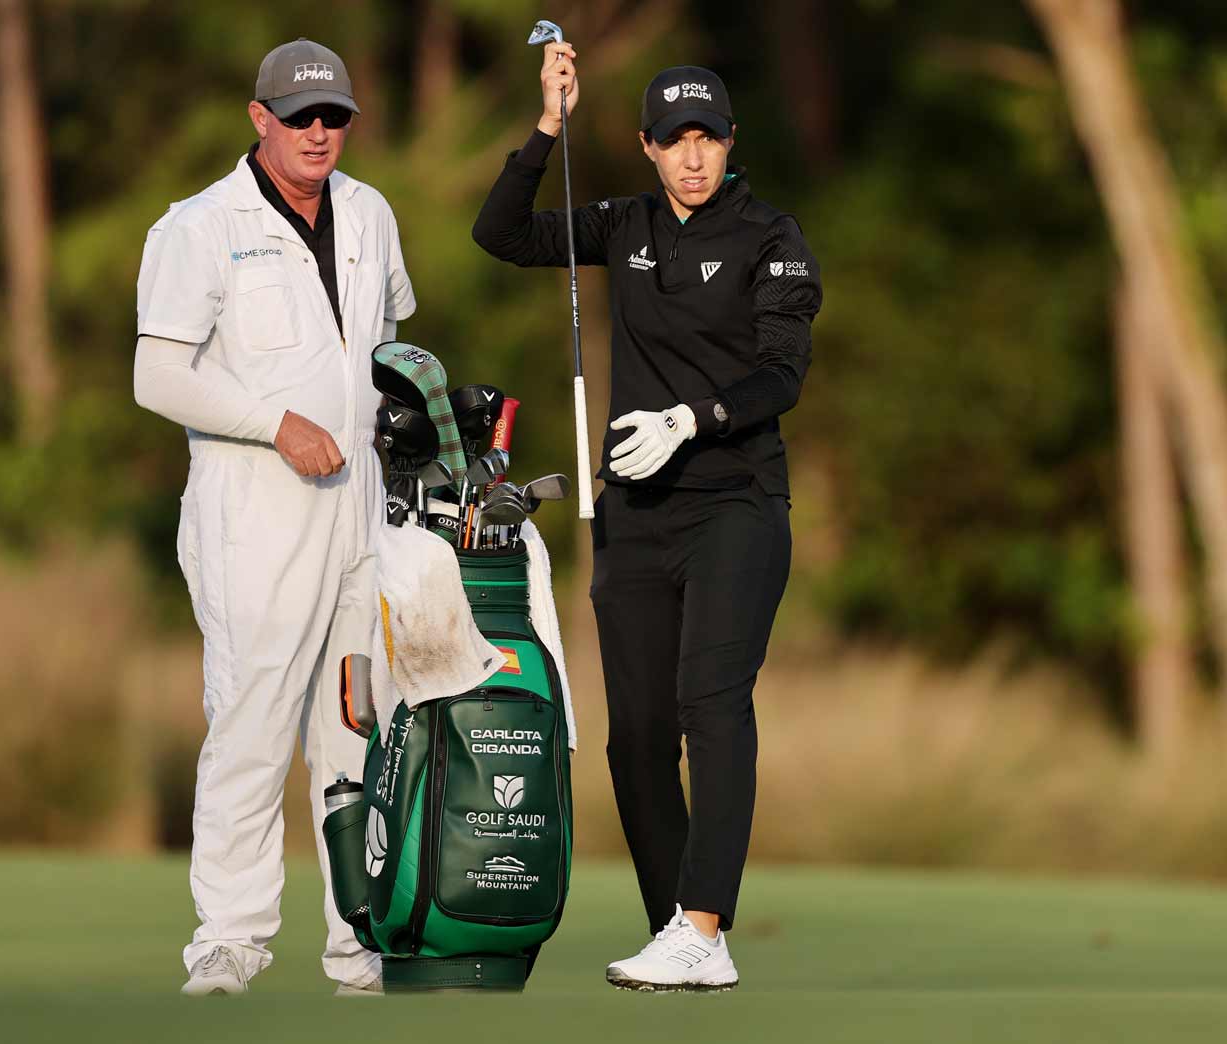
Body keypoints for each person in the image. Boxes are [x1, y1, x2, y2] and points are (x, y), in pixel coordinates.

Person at [472, 43, 823, 991]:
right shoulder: (623, 223)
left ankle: (704, 924)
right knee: (634, 736)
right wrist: (548, 127)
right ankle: (679, 928)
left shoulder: (772, 237)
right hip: (632, 513)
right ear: (646, 147)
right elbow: (499, 234)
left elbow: (782, 373)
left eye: (708, 138)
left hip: (737, 503)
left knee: (713, 705)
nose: (694, 157)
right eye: (676, 141)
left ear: (730, 142)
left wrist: (692, 420)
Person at [132, 37, 415, 998]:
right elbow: (157, 375)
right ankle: (230, 940)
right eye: (301, 117)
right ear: (260, 120)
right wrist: (273, 423)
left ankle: (360, 942)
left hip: (361, 519)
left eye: (334, 115)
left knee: (358, 729)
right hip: (252, 517)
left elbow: (385, 353)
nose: (320, 132)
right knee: (251, 720)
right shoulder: (199, 226)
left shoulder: (372, 214)